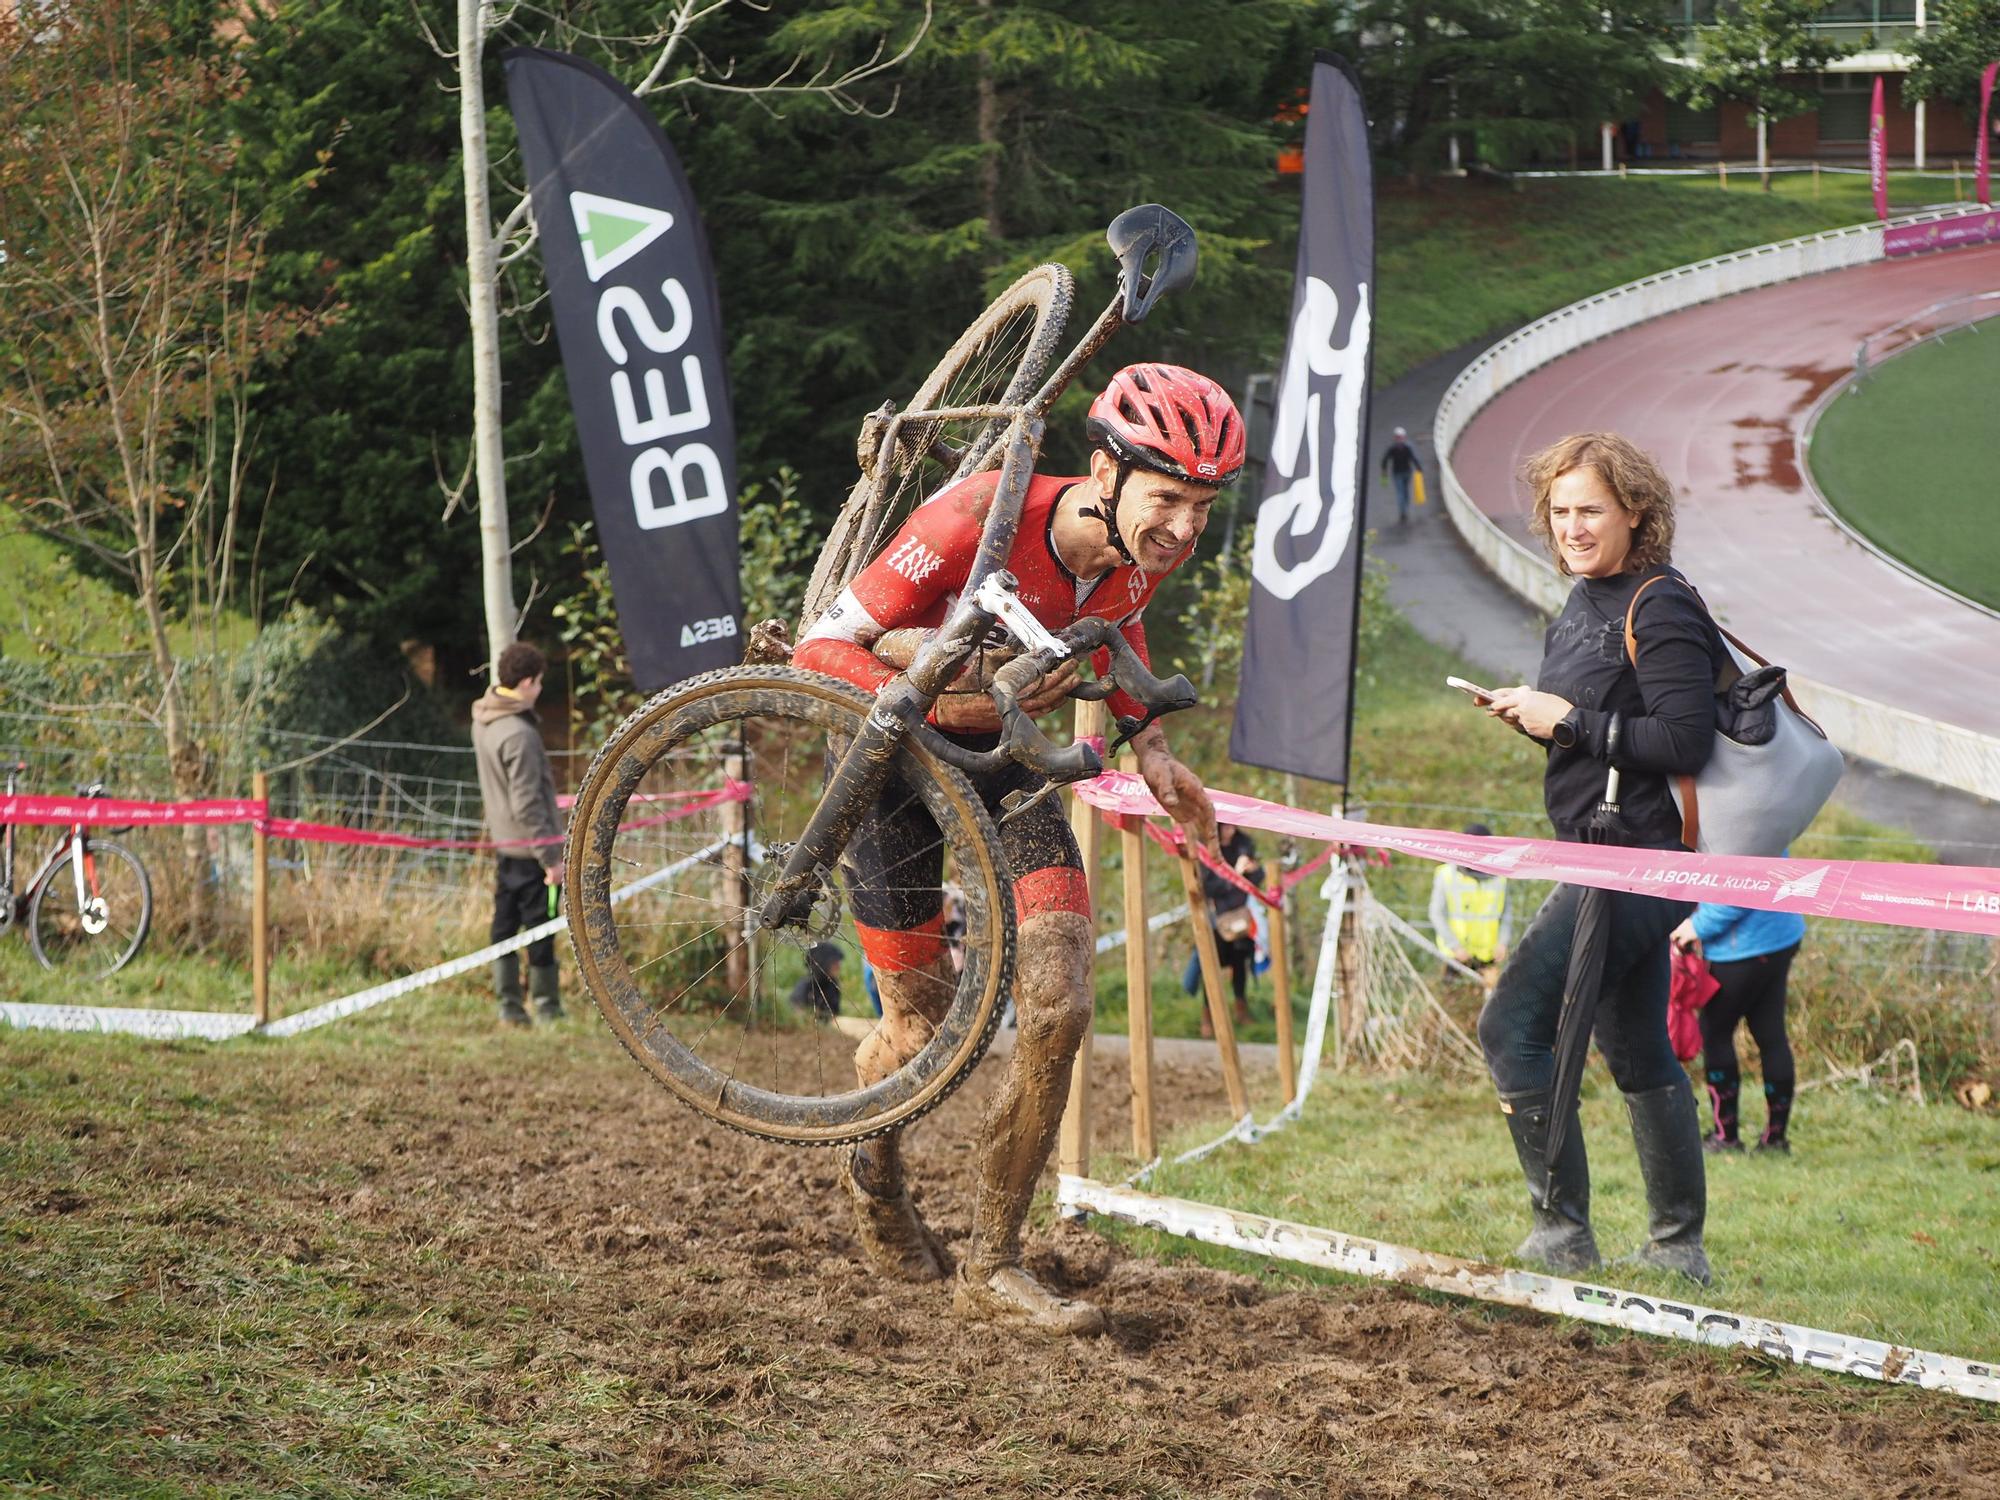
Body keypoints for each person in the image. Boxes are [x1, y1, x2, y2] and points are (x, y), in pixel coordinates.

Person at [794, 362, 1234, 1334]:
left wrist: (1154, 749)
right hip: (897, 764)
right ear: (1102, 473)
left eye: (1202, 508)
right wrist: (930, 677)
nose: (1184, 531)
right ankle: (875, 1176)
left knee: (1060, 1004)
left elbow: (1119, 624)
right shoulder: (972, 517)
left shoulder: (1134, 556)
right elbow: (818, 654)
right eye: (1168, 500)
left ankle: (991, 1262)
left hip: (1011, 765)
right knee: (917, 1025)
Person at [1475, 432, 1729, 1285]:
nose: (1574, 526)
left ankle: (1562, 1234)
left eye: (1592, 509)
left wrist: (1571, 723)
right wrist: (1536, 718)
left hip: (1640, 863)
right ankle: (1677, 1247)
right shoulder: (1586, 597)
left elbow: (1686, 738)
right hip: (1595, 854)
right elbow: (1595, 729)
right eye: (1560, 510)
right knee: (1634, 1046)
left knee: (1510, 1023)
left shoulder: (1657, 604)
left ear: (1636, 513)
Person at [471, 641, 566, 1026]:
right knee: (540, 929)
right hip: (532, 853)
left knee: (504, 926)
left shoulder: (483, 719)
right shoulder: (520, 735)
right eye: (539, 682)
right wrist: (551, 859)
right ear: (526, 682)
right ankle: (546, 1008)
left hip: (505, 844)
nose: (540, 689)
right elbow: (527, 804)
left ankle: (509, 1005)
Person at [1672, 902, 1805, 1154]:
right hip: (1780, 934)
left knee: (1715, 1033)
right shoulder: (1770, 857)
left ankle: (1726, 1138)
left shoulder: (1738, 858)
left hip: (1740, 948)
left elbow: (1734, 893)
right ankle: (1775, 1141)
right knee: (1771, 1034)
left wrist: (1696, 926)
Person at [1183, 823, 1263, 1034]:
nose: (1231, 832)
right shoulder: (1205, 850)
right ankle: (1208, 1016)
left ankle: (1241, 1008)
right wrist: (1234, 874)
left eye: (1233, 827)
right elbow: (1208, 887)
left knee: (1240, 964)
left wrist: (1252, 871)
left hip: (1240, 918)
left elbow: (1256, 880)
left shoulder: (1243, 846)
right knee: (1211, 968)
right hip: (1216, 920)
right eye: (1226, 828)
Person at [1428, 823, 1513, 983]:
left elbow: (1506, 913)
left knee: (1489, 1003)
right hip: (1454, 955)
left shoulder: (1500, 877)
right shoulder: (1446, 875)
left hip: (1488, 955)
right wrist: (1454, 946)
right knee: (1451, 998)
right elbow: (1436, 913)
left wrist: (1503, 942)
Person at [789, 941, 845, 1021]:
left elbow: (834, 1015)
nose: (839, 965)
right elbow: (799, 1015)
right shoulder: (806, 986)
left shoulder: (833, 985)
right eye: (834, 962)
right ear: (822, 963)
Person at [1380, 426, 1423, 525]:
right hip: (1400, 473)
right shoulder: (1404, 447)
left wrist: (1384, 469)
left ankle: (1404, 509)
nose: (1399, 439)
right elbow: (1414, 458)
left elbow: (1385, 460)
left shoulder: (1394, 448)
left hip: (1405, 472)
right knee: (1401, 492)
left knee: (1404, 491)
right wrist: (1419, 468)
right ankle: (1403, 511)